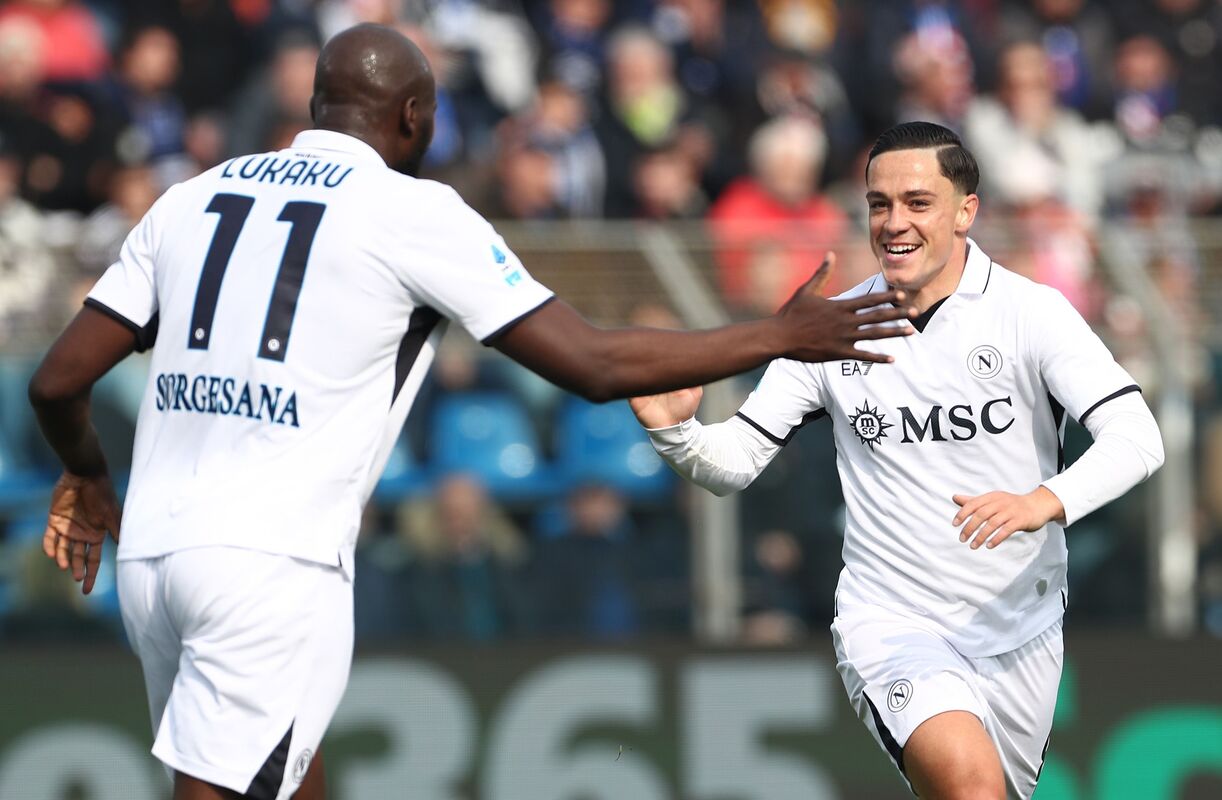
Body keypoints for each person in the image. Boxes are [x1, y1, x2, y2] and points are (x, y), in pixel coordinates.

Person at [25, 23, 915, 800]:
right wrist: (776, 334)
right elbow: (596, 362)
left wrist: (88, 476)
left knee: (284, 769)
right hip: (270, 562)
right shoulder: (410, 210)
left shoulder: (192, 197)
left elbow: (58, 380)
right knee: (231, 783)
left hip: (152, 556)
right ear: (413, 118)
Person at [631, 121, 1165, 800]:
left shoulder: (1032, 314)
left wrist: (1043, 501)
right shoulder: (827, 330)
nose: (893, 222)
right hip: (893, 621)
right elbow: (733, 461)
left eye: (917, 202)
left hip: (1022, 624)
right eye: (879, 204)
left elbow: (1137, 435)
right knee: (971, 789)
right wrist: (676, 433)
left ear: (966, 211)